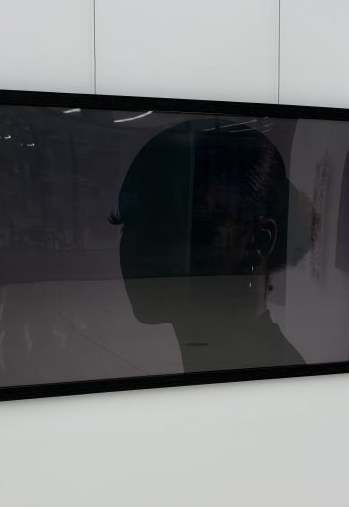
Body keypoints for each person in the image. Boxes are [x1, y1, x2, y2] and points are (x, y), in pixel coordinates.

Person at [110, 118, 316, 373]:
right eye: (126, 224)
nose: (135, 250)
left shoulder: (272, 382)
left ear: (259, 242)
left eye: (171, 229)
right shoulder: (254, 368)